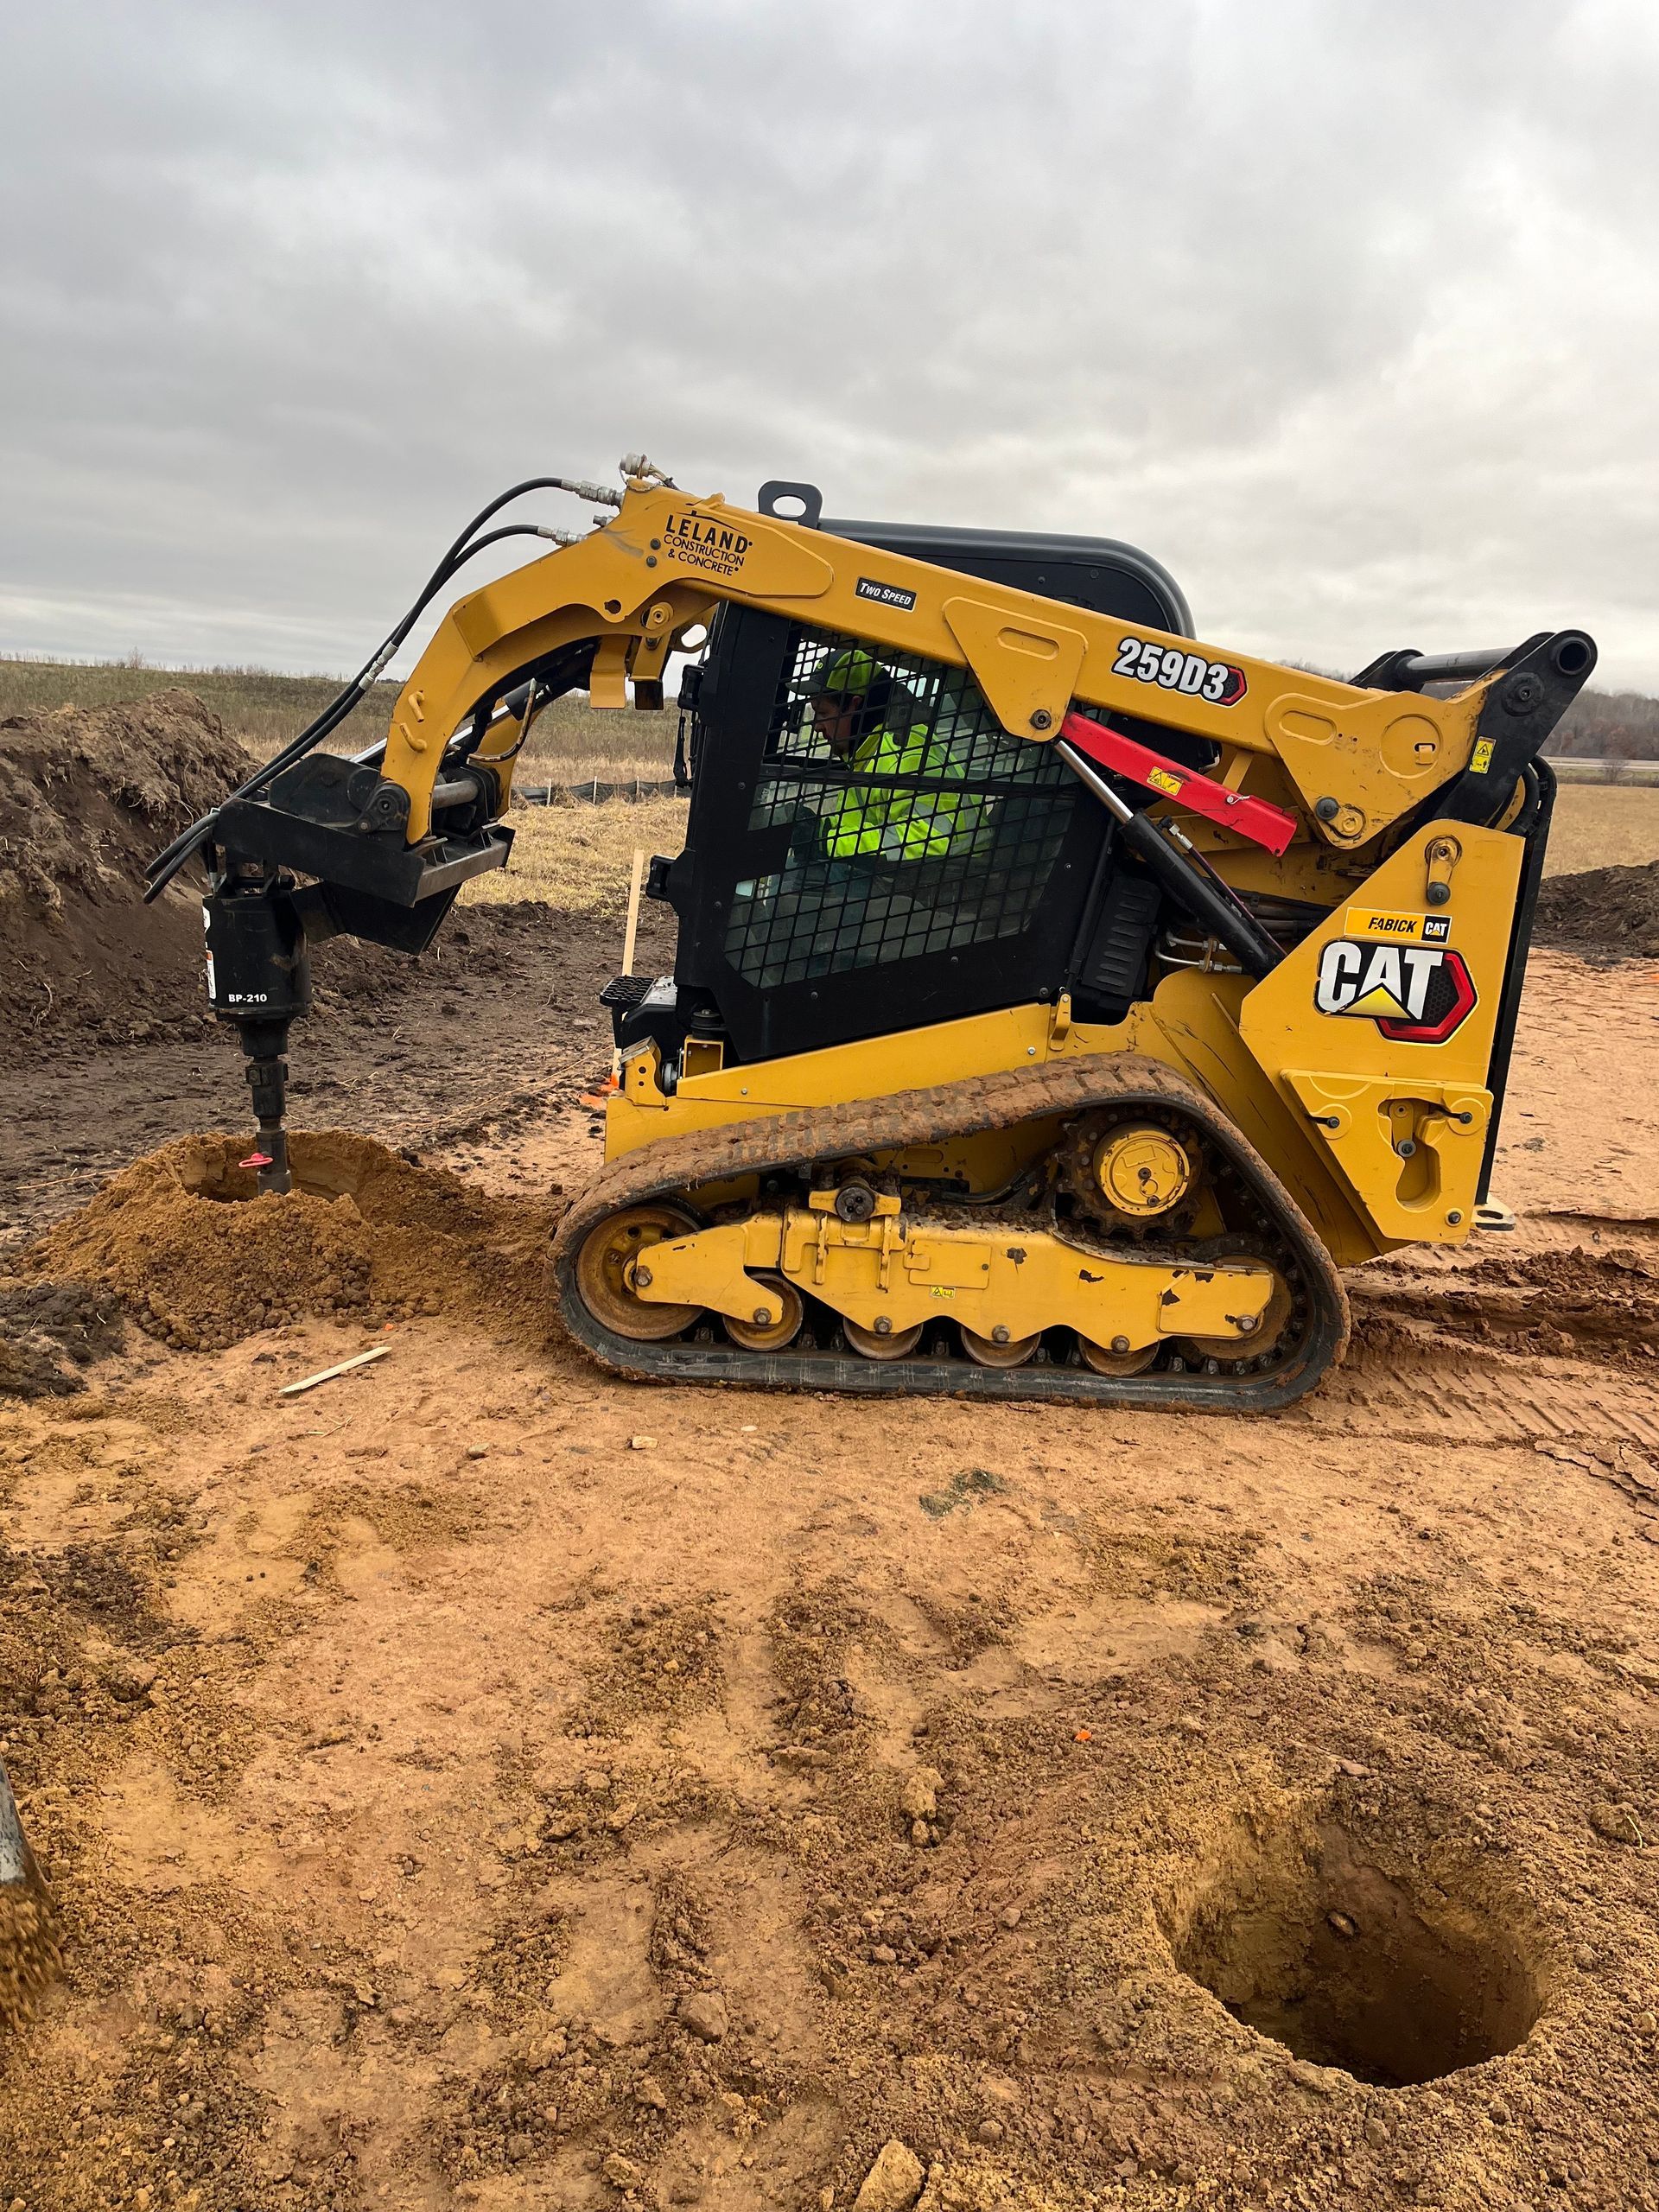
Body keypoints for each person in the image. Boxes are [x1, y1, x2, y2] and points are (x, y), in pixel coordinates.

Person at [804, 648, 988, 861]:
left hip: (954, 878)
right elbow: (860, 825)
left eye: (823, 713)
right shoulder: (865, 754)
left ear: (855, 705)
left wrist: (827, 844)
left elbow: (930, 838)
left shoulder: (905, 754)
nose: (817, 726)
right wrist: (821, 832)